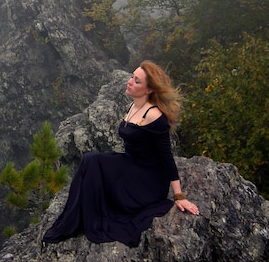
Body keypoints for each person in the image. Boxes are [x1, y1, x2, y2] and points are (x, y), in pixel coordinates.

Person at [42, 60, 200, 248]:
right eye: (132, 76)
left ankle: (81, 218)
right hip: (131, 164)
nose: (130, 81)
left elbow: (167, 157)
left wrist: (179, 196)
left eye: (137, 81)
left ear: (149, 89)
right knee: (90, 160)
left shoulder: (154, 116)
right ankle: (75, 217)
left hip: (147, 179)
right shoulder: (133, 106)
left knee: (93, 162)